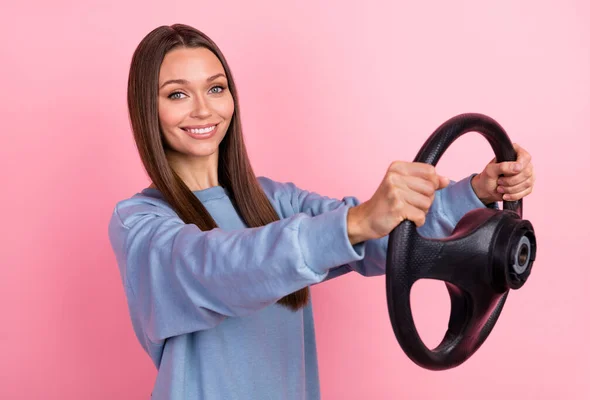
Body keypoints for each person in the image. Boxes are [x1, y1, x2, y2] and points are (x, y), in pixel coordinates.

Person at [107, 23, 535, 400]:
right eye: (177, 94)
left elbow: (381, 240)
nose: (204, 109)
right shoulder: (141, 223)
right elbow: (221, 267)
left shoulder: (273, 200)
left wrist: (476, 193)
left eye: (216, 88)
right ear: (148, 109)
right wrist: (356, 221)